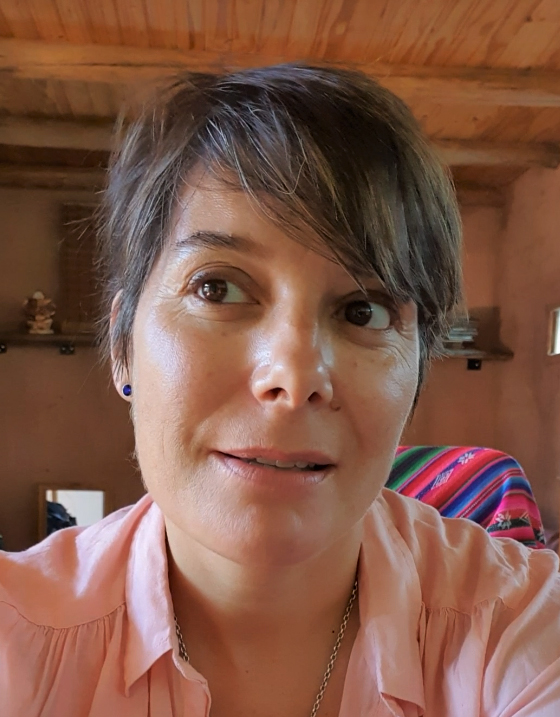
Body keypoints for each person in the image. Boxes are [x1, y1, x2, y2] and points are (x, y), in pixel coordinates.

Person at [1, 64, 559, 717]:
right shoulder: (19, 639)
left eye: (363, 311)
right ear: (123, 346)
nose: (293, 379)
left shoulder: (518, 625)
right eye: (217, 288)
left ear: (415, 373)